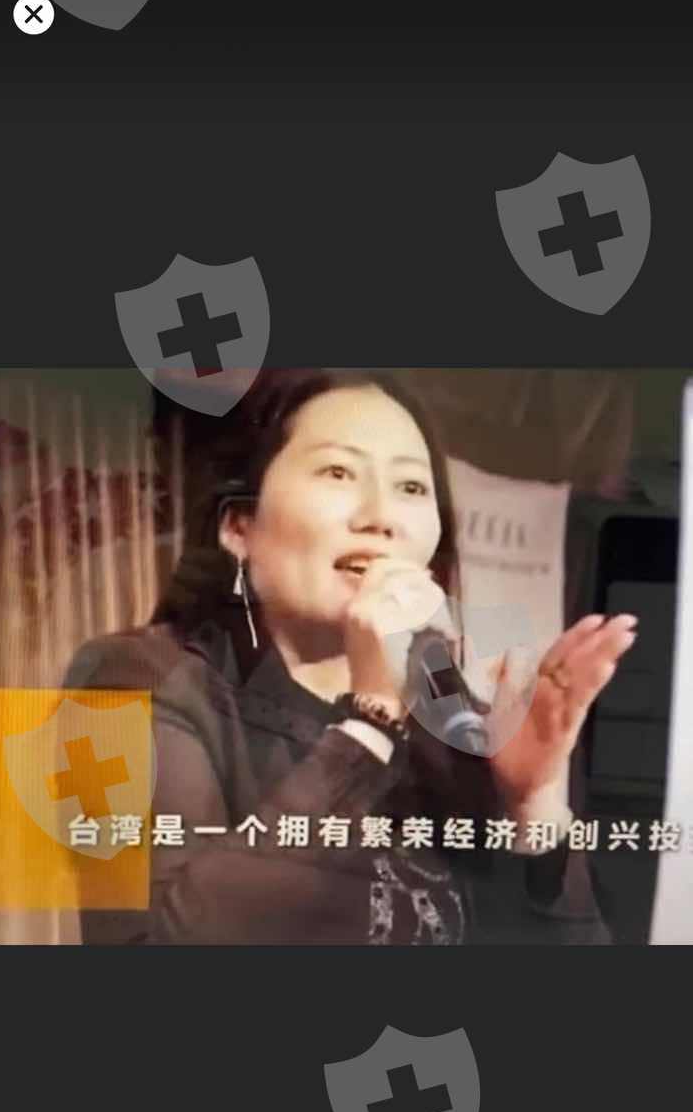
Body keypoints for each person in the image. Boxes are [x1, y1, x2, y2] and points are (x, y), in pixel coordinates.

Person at [63, 368, 637, 945]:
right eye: (337, 472)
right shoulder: (123, 677)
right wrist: (370, 725)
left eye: (411, 487)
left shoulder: (448, 717)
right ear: (239, 526)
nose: (380, 517)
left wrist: (531, 808)